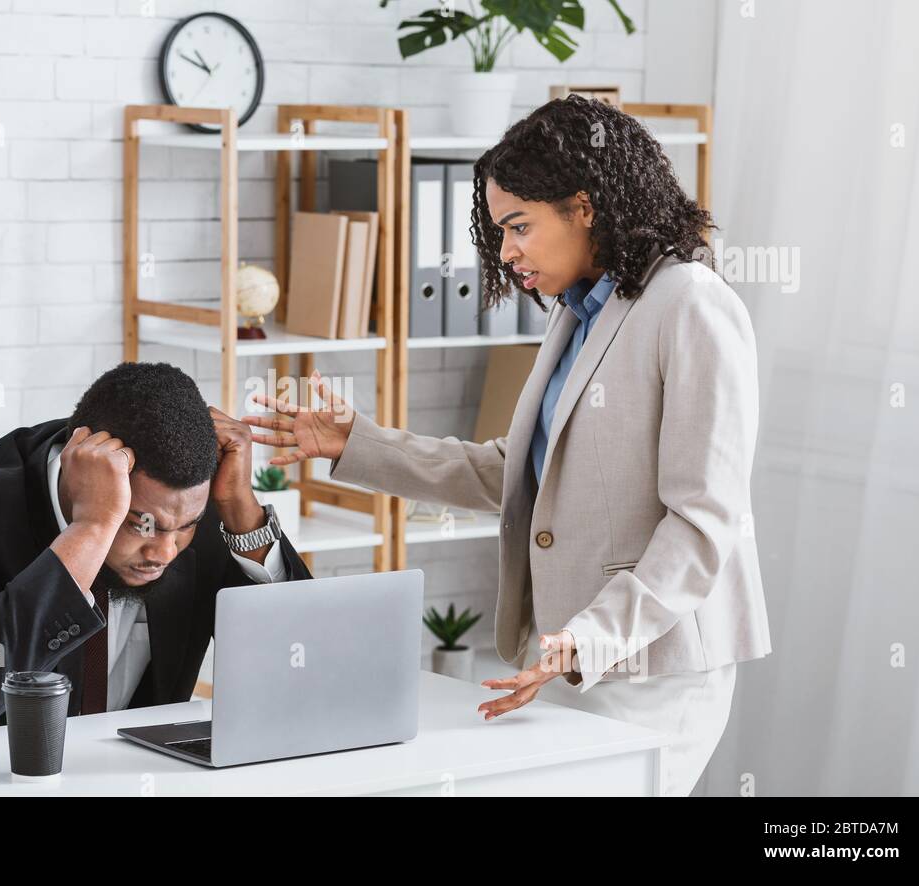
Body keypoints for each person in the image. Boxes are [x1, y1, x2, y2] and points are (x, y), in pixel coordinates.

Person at [245, 96, 772, 796]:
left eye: (519, 226)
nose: (505, 252)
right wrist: (357, 443)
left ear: (585, 207)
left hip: (651, 669)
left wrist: (589, 638)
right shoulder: (579, 313)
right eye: (499, 231)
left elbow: (703, 522)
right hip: (561, 656)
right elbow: (516, 473)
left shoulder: (689, 305)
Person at [0, 361, 310, 743]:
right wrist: (92, 528)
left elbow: (299, 668)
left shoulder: (185, 506)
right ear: (80, 472)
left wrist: (240, 510)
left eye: (186, 528)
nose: (165, 550)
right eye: (138, 523)